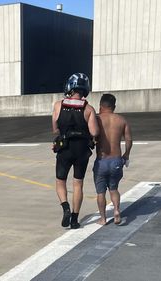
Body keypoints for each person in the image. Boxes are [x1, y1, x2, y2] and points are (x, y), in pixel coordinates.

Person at [52, 73, 99, 229]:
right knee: (78, 183)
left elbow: (55, 129)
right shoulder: (88, 108)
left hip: (64, 147)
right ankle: (74, 218)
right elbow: (94, 132)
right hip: (81, 150)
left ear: (70, 87)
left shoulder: (59, 105)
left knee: (60, 181)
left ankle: (65, 207)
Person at [93, 93, 133, 225]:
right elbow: (128, 139)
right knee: (113, 189)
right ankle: (116, 211)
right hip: (116, 160)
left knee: (100, 192)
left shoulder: (97, 119)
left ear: (100, 106)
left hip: (102, 160)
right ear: (114, 106)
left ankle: (103, 218)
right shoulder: (121, 120)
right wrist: (126, 154)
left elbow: (91, 136)